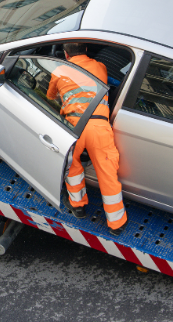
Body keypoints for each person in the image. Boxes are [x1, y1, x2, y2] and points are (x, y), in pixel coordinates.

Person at [46, 43, 127, 235]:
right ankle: (116, 224)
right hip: (99, 126)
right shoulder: (100, 67)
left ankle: (78, 206)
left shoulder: (59, 71)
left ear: (66, 54)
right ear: (86, 50)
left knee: (72, 167)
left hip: (73, 127)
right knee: (107, 173)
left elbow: (50, 96)